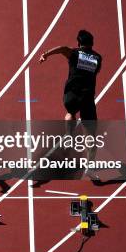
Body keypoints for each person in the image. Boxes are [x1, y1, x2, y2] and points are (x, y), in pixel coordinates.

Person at [40, 30, 102, 179]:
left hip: (71, 95)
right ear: (91, 44)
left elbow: (62, 48)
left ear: (78, 43)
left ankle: (68, 135)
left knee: (70, 113)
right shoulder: (98, 58)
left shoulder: (74, 53)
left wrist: (45, 54)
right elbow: (96, 71)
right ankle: (90, 168)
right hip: (87, 97)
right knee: (91, 135)